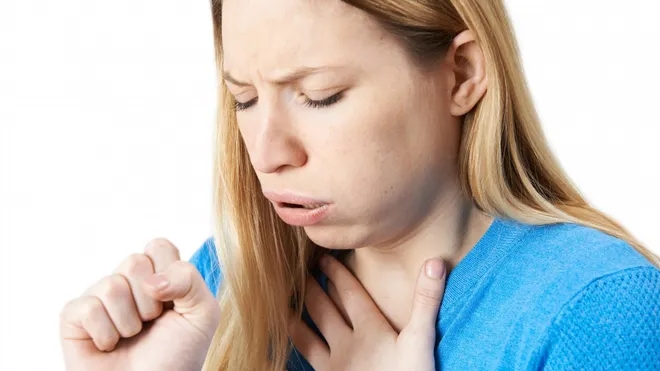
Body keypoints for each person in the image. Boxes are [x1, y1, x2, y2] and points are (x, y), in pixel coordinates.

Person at [59, 0, 660, 370]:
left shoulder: (603, 311)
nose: (268, 154)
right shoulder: (228, 285)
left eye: (320, 96)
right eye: (243, 98)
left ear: (462, 74)